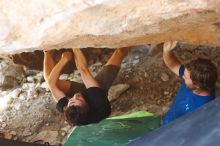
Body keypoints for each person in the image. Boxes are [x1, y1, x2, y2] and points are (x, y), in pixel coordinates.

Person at [43, 48, 129, 125]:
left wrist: (63, 60)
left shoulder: (67, 108)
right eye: (79, 99)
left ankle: (47, 51)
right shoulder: (97, 100)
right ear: (87, 105)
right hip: (97, 92)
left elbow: (51, 83)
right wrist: (74, 45)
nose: (75, 96)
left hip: (85, 97)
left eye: (71, 100)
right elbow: (83, 70)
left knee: (50, 80)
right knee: (119, 52)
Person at [162, 41, 218, 125]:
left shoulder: (202, 109)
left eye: (186, 77)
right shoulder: (201, 80)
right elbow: (173, 65)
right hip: (169, 119)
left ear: (197, 85)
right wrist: (167, 51)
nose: (183, 77)